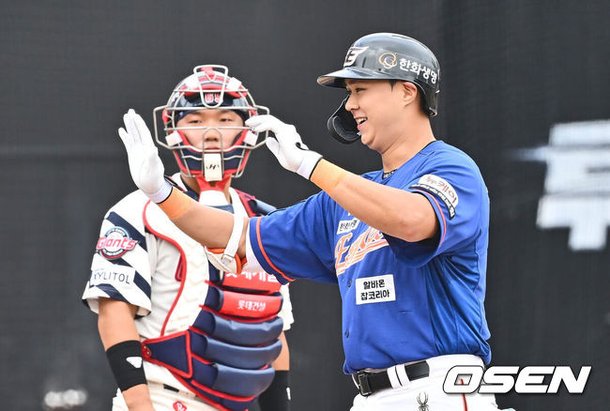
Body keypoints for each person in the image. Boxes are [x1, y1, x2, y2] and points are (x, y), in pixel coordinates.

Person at [117, 34, 502, 410]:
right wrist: (161, 194)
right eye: (348, 92)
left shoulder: (451, 167)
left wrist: (309, 164)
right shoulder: (345, 200)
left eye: (360, 89)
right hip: (371, 395)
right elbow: (237, 238)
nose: (349, 104)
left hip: (438, 389)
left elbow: (411, 220)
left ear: (406, 90)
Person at [82, 65, 294, 411]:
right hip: (164, 397)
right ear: (173, 130)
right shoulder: (138, 209)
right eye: (195, 121)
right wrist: (140, 405)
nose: (211, 134)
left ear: (249, 129)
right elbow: (114, 310)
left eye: (226, 120)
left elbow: (272, 328)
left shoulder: (267, 219)